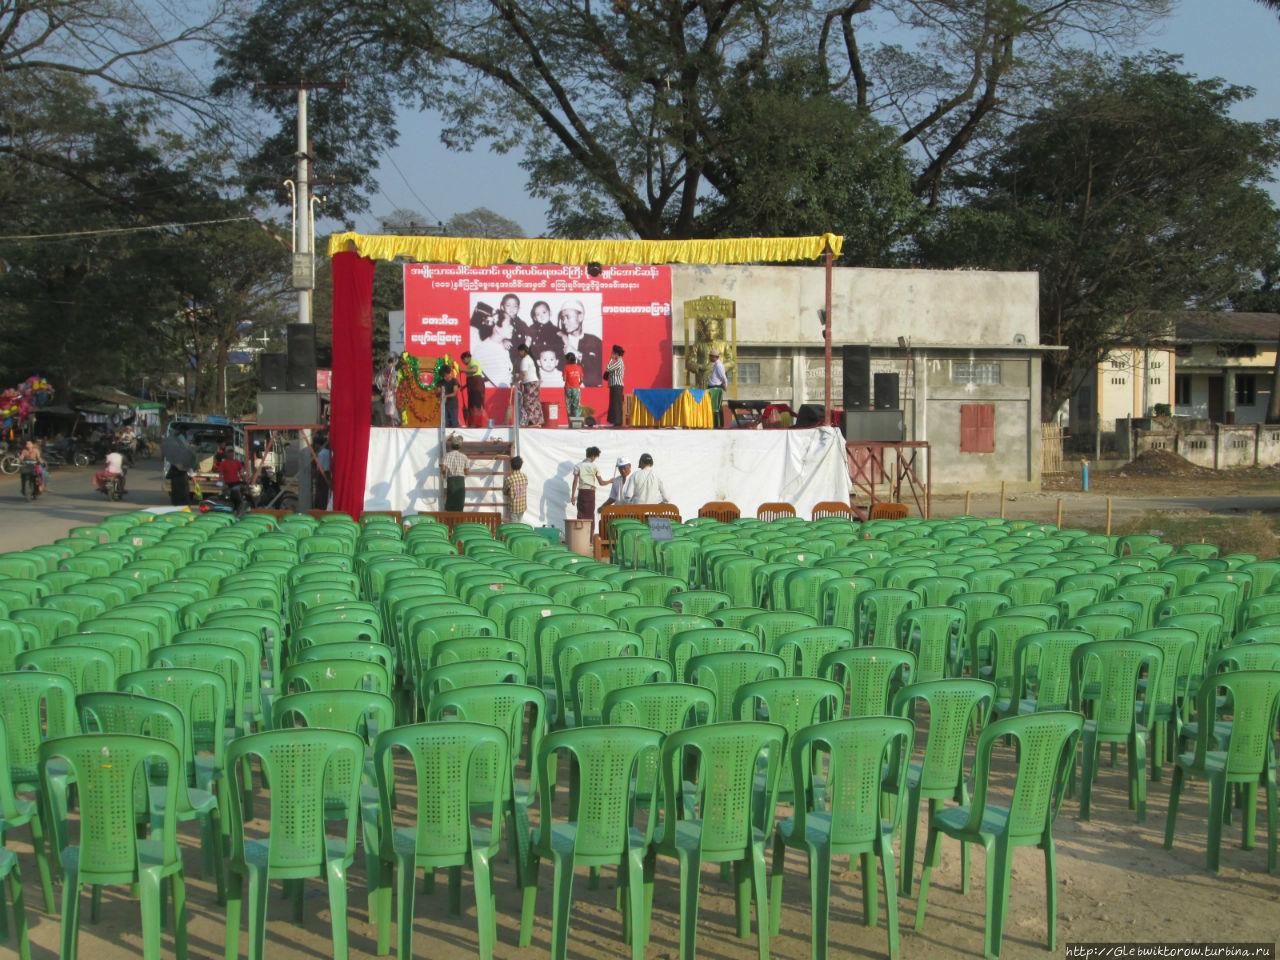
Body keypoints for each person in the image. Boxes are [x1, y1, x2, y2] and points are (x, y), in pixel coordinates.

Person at [557, 300, 604, 385]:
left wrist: (576, 353)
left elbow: (600, 375)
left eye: (568, 317)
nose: (564, 322)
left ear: (580, 317)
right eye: (563, 318)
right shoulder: (558, 341)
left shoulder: (595, 342)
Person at [570, 446, 611, 530]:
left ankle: (580, 535)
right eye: (595, 457)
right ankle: (590, 538)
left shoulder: (578, 465)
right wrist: (610, 481)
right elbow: (601, 483)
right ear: (593, 456)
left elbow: (575, 481)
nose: (595, 459)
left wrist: (573, 496)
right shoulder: (594, 467)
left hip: (581, 492)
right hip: (590, 493)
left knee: (581, 514)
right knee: (590, 516)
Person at [516, 342, 545, 427]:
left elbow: (524, 373)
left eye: (519, 352)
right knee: (535, 402)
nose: (519, 354)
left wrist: (516, 381)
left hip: (530, 383)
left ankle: (533, 422)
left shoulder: (525, 360)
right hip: (534, 382)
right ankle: (538, 421)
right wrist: (521, 382)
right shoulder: (530, 359)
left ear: (523, 351)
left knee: (528, 402)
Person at [441, 434, 469, 511]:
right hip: (460, 480)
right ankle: (458, 520)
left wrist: (444, 473)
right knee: (459, 502)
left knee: (450, 501)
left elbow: (443, 469)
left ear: (451, 445)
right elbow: (467, 472)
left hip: (451, 480)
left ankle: (449, 520)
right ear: (460, 446)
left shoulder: (446, 455)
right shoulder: (464, 457)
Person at [214, 447, 247, 512]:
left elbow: (241, 473)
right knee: (227, 497)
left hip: (236, 483)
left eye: (232, 452)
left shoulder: (237, 462)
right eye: (229, 452)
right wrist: (222, 484)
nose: (231, 454)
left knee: (238, 492)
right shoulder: (223, 463)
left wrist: (245, 480)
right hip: (228, 484)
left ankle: (240, 508)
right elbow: (220, 475)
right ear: (226, 453)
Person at [460, 351, 487, 427]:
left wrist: (462, 370)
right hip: (472, 387)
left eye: (463, 360)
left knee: (477, 404)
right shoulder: (468, 365)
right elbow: (470, 377)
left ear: (467, 358)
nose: (463, 362)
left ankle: (479, 423)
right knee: (472, 404)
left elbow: (474, 370)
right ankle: (473, 423)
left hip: (477, 386)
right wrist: (464, 387)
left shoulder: (473, 362)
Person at [707, 349, 729, 428]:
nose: (709, 358)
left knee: (714, 407)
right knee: (714, 406)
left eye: (710, 356)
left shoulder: (718, 365)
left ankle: (716, 424)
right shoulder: (716, 364)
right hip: (713, 387)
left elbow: (723, 376)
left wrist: (725, 385)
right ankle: (716, 423)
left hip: (715, 388)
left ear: (714, 357)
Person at [605, 344, 625, 427]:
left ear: (617, 354)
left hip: (617, 385)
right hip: (614, 385)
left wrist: (610, 359)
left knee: (616, 404)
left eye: (613, 353)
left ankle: (618, 421)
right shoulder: (617, 361)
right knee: (613, 404)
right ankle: (615, 421)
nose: (611, 354)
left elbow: (608, 369)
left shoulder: (619, 361)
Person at [503, 455, 528, 522]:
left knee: (514, 527)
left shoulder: (509, 479)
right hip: (522, 505)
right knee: (519, 524)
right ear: (521, 465)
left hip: (514, 507)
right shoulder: (525, 477)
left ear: (511, 466)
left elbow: (504, 492)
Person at [563, 351, 584, 419]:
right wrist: (578, 384)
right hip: (576, 389)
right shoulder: (579, 368)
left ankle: (570, 421)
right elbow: (581, 379)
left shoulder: (566, 367)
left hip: (568, 389)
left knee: (569, 405)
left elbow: (564, 379)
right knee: (576, 404)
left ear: (567, 360)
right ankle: (577, 420)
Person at [314, 435, 332, 508]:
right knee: (326, 492)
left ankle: (320, 507)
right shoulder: (328, 452)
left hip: (322, 474)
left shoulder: (321, 454)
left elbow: (319, 467)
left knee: (320, 493)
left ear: (318, 444)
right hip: (329, 473)